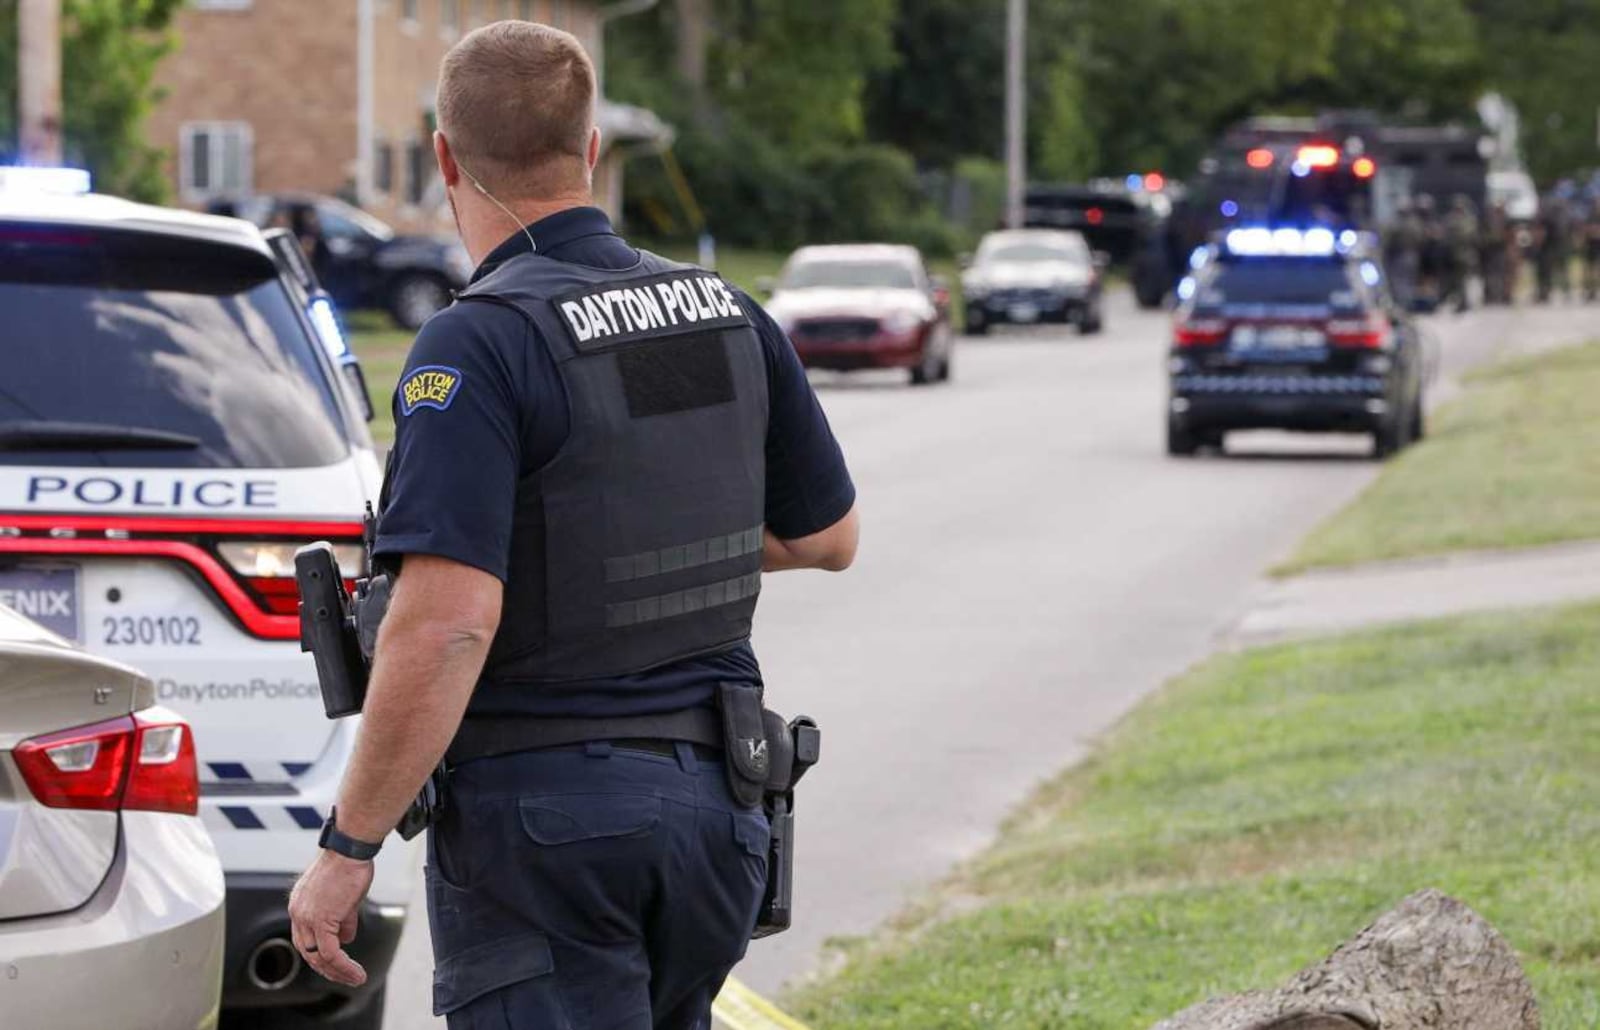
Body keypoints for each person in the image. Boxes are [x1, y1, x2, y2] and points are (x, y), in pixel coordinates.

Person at [286, 21, 860, 1029]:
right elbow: (825, 536)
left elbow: (448, 621)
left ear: (443, 157)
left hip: (546, 831)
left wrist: (348, 846)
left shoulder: (477, 345)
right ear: (589, 149)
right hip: (717, 819)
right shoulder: (719, 310)